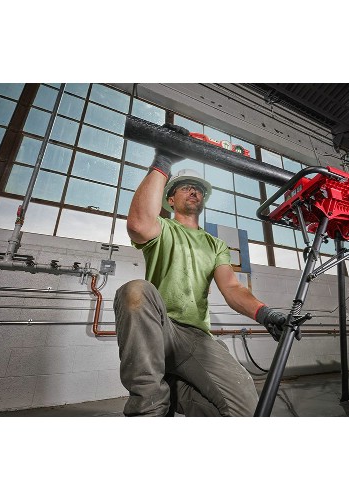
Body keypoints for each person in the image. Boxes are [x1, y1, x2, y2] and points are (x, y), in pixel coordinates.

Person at [113, 123, 288, 417]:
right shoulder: (163, 228)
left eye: (199, 189)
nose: (194, 191)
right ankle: (149, 409)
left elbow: (232, 288)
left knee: (246, 409)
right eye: (186, 187)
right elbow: (139, 225)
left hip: (195, 336)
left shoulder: (215, 245)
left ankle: (173, 388)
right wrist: (163, 159)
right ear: (170, 199)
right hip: (158, 327)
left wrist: (264, 313)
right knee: (135, 291)